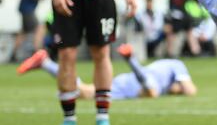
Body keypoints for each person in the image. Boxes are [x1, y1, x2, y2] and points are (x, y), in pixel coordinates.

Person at [17, 44, 197, 100]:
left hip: (127, 86)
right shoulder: (178, 65)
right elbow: (190, 91)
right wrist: (178, 90)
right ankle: (130, 59)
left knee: (85, 93)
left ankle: (46, 63)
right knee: (152, 92)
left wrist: (174, 89)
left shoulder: (169, 67)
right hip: (143, 79)